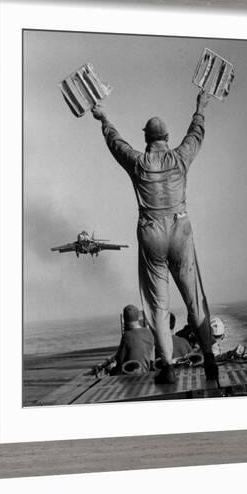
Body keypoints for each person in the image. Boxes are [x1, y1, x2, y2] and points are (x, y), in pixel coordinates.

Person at [92, 91, 218, 384]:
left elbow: (116, 143)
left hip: (151, 233)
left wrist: (103, 118)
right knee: (195, 301)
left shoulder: (138, 162)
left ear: (147, 138)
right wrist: (199, 106)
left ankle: (169, 367)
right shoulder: (180, 158)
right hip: (180, 229)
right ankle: (210, 357)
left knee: (159, 306)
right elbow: (195, 134)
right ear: (166, 136)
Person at [113, 304, 155, 374]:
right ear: (137, 317)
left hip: (130, 374)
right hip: (146, 371)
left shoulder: (127, 335)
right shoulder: (148, 332)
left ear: (125, 319)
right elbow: (152, 356)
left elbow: (120, 359)